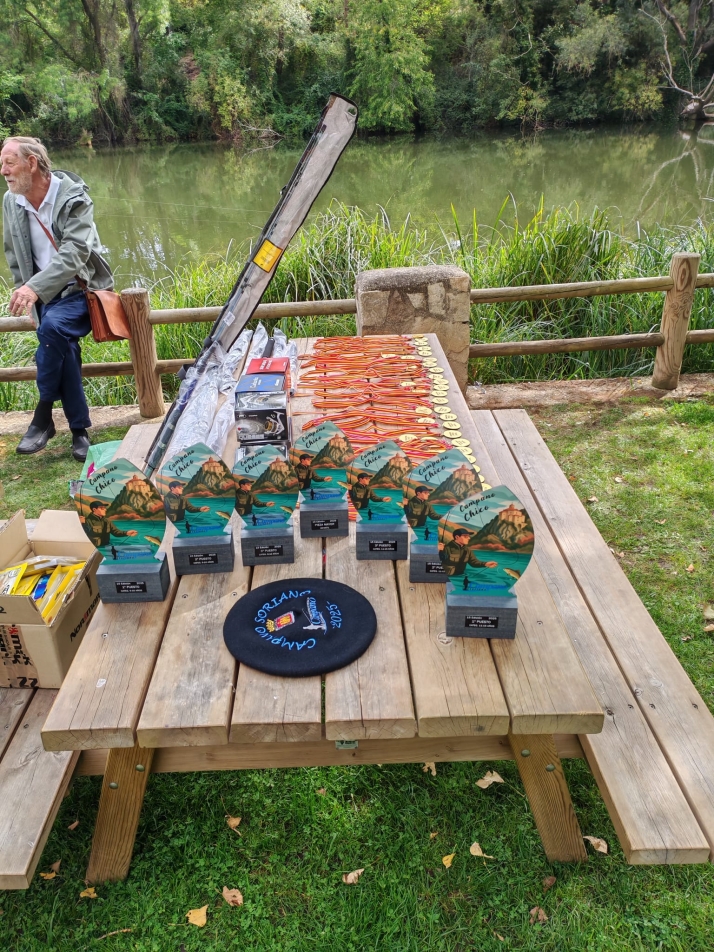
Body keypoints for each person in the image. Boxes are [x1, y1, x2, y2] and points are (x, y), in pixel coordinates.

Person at [2, 136, 114, 461]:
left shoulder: (74, 198)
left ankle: (42, 415)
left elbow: (76, 252)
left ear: (31, 163)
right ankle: (80, 431)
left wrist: (34, 288)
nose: (3, 171)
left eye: (9, 162)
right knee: (59, 341)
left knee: (52, 329)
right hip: (44, 298)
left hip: (82, 289)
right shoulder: (12, 201)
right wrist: (25, 290)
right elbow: (14, 252)